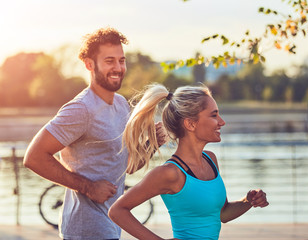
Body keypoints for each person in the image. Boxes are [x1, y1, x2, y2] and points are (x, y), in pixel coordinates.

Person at [23, 27, 166, 240]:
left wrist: (150, 145)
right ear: (90, 65)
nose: (118, 68)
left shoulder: (120, 105)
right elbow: (33, 157)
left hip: (110, 227)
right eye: (109, 61)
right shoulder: (81, 109)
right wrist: (88, 187)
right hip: (85, 230)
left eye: (121, 60)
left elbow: (122, 168)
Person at [108, 84, 269, 240]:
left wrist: (248, 201)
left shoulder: (210, 159)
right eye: (214, 115)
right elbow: (117, 211)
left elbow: (222, 214)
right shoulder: (170, 173)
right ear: (190, 124)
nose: (222, 122)